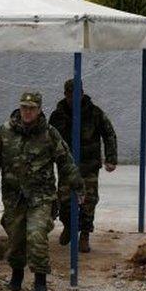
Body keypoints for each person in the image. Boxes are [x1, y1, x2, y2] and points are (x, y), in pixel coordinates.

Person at [0, 92, 84, 291]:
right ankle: (17, 277)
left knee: (36, 235)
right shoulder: (4, 132)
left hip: (41, 197)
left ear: (39, 110)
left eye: (32, 108)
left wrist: (78, 186)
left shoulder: (49, 133)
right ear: (19, 108)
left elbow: (65, 161)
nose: (27, 112)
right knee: (16, 238)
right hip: (14, 197)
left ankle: (40, 282)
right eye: (24, 108)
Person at [48, 79, 118, 253]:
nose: (73, 98)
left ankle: (85, 234)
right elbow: (48, 140)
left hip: (89, 165)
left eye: (77, 94)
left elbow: (109, 134)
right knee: (63, 201)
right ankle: (69, 226)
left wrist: (111, 158)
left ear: (82, 93)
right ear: (65, 95)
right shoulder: (58, 115)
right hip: (67, 166)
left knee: (88, 201)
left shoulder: (95, 113)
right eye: (70, 94)